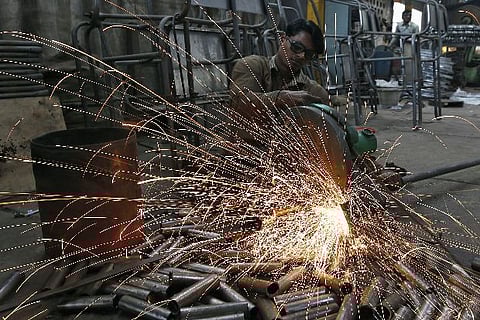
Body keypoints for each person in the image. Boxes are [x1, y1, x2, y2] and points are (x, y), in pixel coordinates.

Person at [229, 18, 329, 122]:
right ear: (282, 40)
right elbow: (239, 105)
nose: (301, 56)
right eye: (297, 47)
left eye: (309, 54)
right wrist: (282, 98)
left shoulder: (314, 92)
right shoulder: (250, 66)